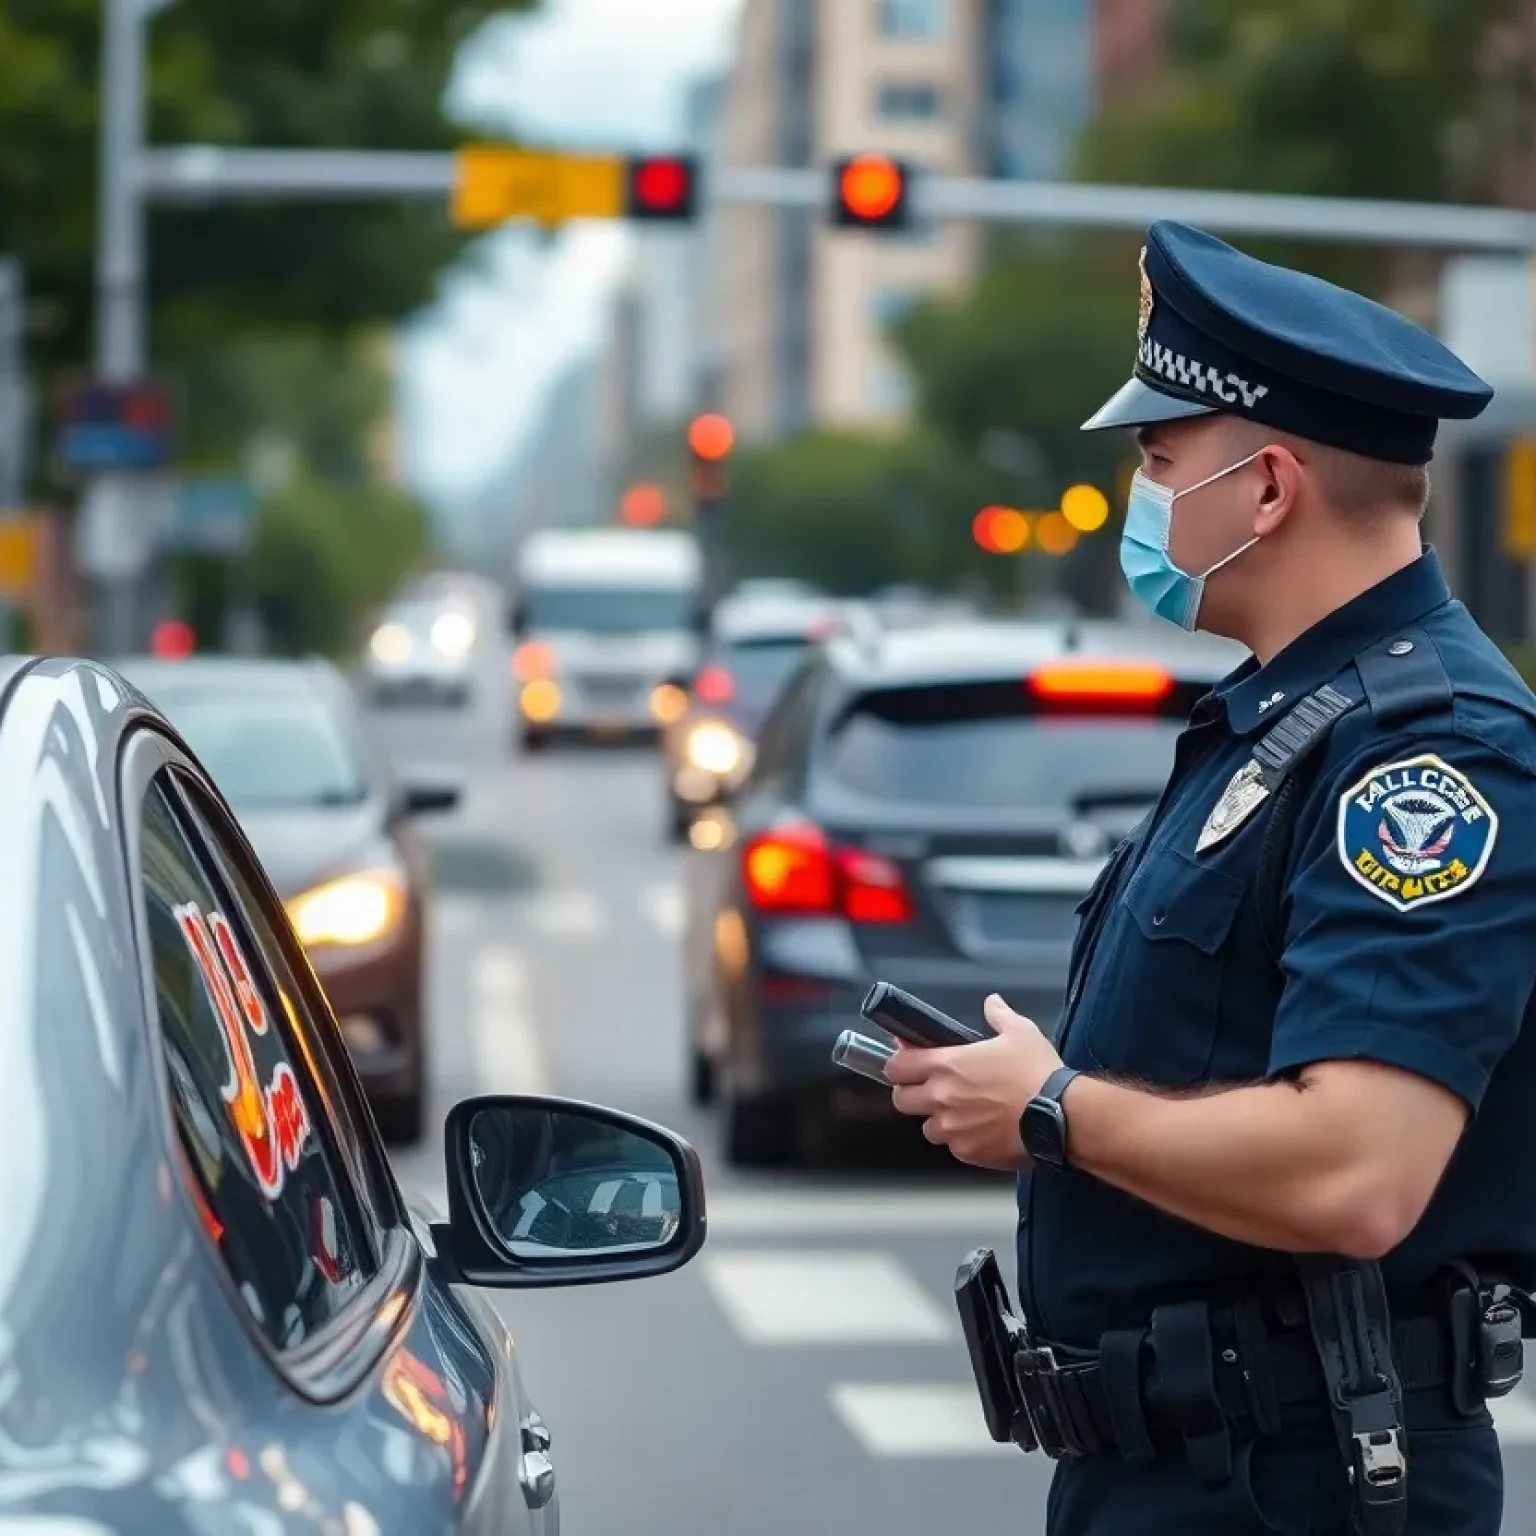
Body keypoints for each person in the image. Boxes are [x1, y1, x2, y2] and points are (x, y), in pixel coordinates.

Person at [886, 220, 1536, 1535]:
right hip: (1189, 1472)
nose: (1146, 498)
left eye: (1162, 460)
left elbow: (1360, 1171)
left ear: (1271, 489)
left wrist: (1057, 1109)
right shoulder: (1287, 720)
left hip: (1301, 1482)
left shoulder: (1425, 752)